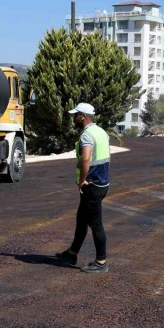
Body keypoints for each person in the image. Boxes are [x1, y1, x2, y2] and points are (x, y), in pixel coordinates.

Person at [55, 102, 111, 273]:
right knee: (82, 221)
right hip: (101, 182)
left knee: (95, 224)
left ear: (83, 117)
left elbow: (86, 159)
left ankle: (101, 262)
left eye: (76, 114)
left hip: (91, 184)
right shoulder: (101, 132)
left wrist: (81, 180)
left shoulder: (87, 135)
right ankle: (72, 253)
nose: (74, 117)